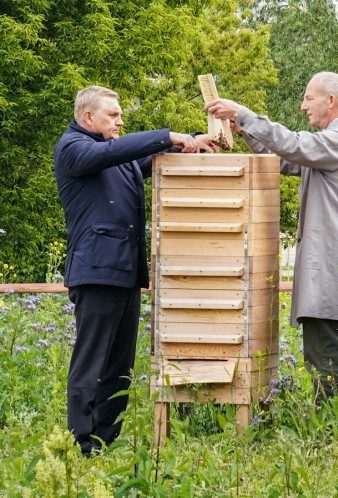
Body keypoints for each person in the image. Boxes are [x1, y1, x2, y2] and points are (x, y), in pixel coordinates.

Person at [54, 85, 215, 455]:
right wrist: (167, 135)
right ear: (88, 117)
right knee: (92, 361)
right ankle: (82, 442)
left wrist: (190, 142)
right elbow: (117, 151)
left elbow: (139, 159)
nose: (120, 120)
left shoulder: (113, 156)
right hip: (95, 272)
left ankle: (105, 441)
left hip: (124, 273)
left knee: (119, 364)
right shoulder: (74, 149)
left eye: (120, 113)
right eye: (113, 114)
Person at [206, 72, 338, 400]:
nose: (303, 105)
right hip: (325, 267)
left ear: (331, 101)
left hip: (330, 267)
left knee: (324, 358)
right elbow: (285, 158)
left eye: (309, 98)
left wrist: (244, 114)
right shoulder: (328, 147)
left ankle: (328, 433)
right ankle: (328, 428)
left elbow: (294, 144)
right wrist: (245, 130)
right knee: (319, 356)